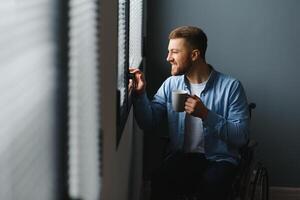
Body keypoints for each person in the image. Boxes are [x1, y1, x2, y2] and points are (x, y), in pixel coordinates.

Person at [130, 26, 249, 200]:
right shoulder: (171, 85)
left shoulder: (231, 87)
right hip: (183, 157)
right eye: (168, 52)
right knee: (159, 179)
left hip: (219, 160)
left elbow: (241, 137)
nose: (168, 58)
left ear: (194, 55)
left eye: (174, 52)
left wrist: (206, 115)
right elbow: (149, 122)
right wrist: (140, 95)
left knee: (212, 184)